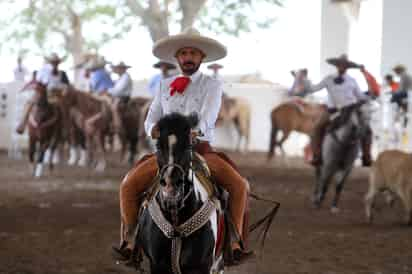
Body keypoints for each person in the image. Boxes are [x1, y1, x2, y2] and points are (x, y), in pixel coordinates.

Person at [114, 27, 251, 263]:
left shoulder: (212, 85)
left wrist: (195, 131)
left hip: (199, 150)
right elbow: (151, 116)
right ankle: (131, 241)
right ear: (177, 58)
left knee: (239, 186)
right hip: (167, 152)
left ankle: (235, 243)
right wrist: (152, 129)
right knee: (128, 185)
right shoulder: (164, 85)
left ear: (202, 58)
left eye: (193, 53)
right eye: (184, 53)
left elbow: (209, 115)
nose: (188, 57)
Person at [303, 54, 372, 166]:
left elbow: (359, 96)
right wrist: (305, 81)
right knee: (317, 128)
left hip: (349, 109)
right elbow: (314, 89)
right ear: (336, 66)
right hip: (332, 110)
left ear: (347, 67)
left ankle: (366, 156)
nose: (342, 67)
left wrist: (368, 96)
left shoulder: (352, 80)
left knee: (367, 129)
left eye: (344, 65)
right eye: (340, 65)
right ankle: (317, 156)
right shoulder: (329, 79)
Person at [16, 53, 69, 134]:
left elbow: (66, 87)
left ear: (58, 63)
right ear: (50, 63)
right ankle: (22, 124)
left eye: (56, 63)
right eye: (53, 63)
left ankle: (65, 129)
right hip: (43, 93)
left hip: (56, 95)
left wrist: (60, 91)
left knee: (63, 108)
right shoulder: (43, 71)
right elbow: (38, 82)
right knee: (29, 103)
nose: (55, 64)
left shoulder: (62, 73)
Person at [106, 61, 133, 132]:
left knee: (115, 107)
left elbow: (119, 90)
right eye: (117, 69)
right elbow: (114, 88)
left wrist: (108, 91)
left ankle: (118, 125)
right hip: (118, 96)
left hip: (124, 98)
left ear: (123, 69)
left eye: (118, 68)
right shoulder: (120, 78)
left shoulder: (126, 77)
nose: (117, 70)